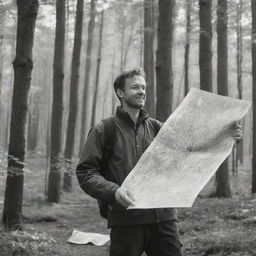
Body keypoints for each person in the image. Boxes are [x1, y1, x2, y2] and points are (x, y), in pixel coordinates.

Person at [76, 68, 242, 256]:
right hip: (125, 220)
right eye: (135, 87)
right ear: (120, 93)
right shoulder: (104, 129)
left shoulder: (158, 128)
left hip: (164, 218)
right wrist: (114, 191)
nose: (141, 91)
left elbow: (191, 148)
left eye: (143, 87)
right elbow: (86, 172)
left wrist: (225, 136)